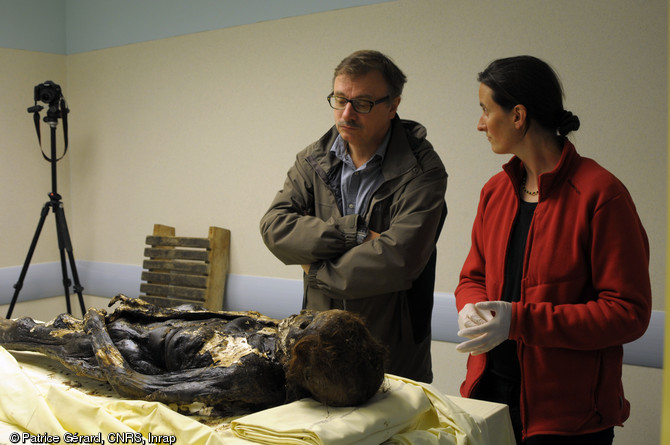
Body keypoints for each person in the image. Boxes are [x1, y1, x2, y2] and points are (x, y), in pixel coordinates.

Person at [454, 55, 652, 444]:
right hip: (487, 399)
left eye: (485, 110)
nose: (479, 124)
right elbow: (472, 276)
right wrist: (471, 306)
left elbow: (628, 313)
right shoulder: (496, 191)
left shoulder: (601, 195)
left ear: (518, 116)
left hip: (568, 421)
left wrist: (519, 321)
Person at [260, 50, 448, 383]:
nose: (346, 113)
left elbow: (399, 259)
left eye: (362, 103)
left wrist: (315, 269)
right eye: (340, 99)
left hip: (391, 355)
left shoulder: (422, 170)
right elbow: (275, 227)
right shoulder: (312, 160)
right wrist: (354, 234)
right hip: (318, 348)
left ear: (393, 106)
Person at [0, 294, 386, 416]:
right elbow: (219, 319)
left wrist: (97, 326)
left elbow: (134, 383)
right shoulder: (279, 338)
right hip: (134, 320)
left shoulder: (249, 375)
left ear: (301, 352)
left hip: (118, 344)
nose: (302, 315)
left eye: (308, 321)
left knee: (21, 330)